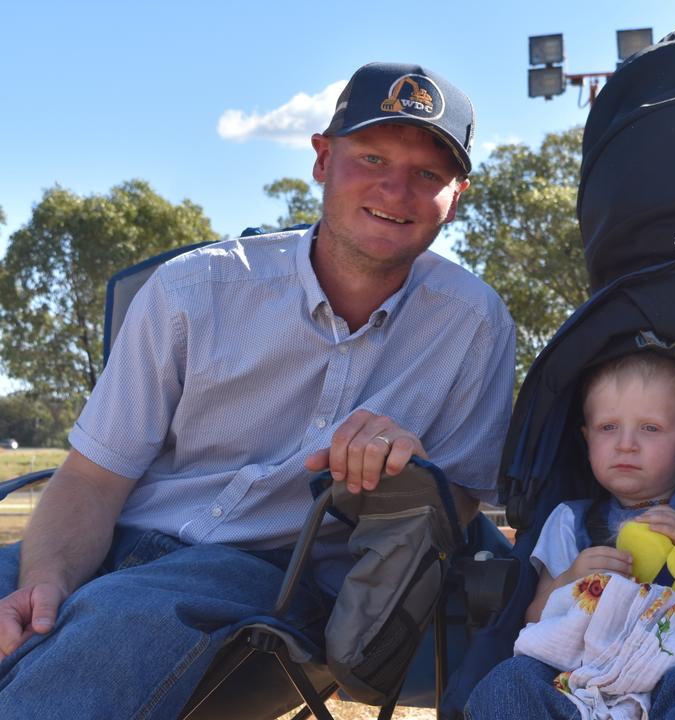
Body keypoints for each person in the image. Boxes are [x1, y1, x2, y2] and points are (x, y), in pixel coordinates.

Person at [0, 61, 515, 718]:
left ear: (456, 194)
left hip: (274, 578)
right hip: (113, 542)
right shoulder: (193, 290)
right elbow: (93, 479)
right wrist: (44, 583)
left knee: (115, 626)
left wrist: (410, 472)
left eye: (428, 174)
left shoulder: (474, 323)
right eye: (372, 157)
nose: (397, 188)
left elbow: (464, 497)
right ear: (323, 160)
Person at [466, 352, 675, 719]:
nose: (626, 443)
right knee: (508, 682)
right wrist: (571, 578)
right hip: (578, 680)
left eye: (650, 428)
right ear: (587, 438)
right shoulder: (570, 522)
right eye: (608, 427)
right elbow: (533, 620)